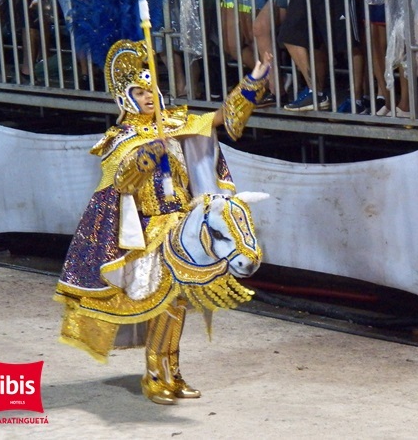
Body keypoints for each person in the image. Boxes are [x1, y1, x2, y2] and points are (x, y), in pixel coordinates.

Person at [54, 38, 271, 405]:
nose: (149, 97)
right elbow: (122, 180)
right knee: (162, 304)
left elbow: (221, 118)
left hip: (182, 224)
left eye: (151, 90)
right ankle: (156, 375)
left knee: (178, 305)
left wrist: (252, 81)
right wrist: (148, 153)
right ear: (126, 98)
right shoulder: (119, 139)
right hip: (148, 232)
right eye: (140, 93)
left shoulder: (175, 123)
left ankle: (173, 371)